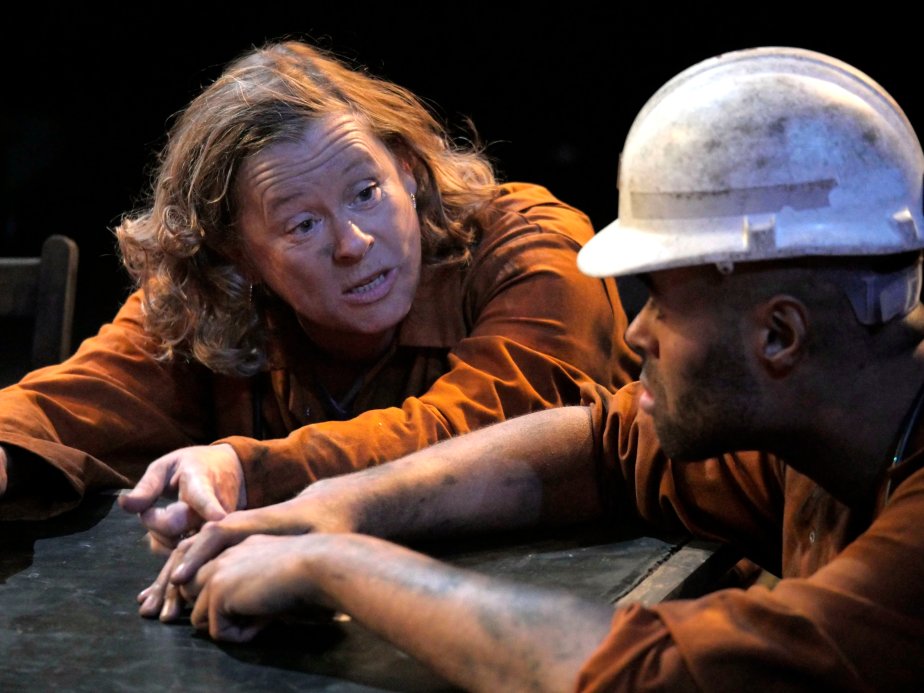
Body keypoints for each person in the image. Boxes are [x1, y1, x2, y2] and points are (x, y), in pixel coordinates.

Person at [160, 46, 924, 691]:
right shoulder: (820, 422)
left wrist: (339, 564)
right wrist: (341, 503)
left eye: (662, 304)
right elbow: (600, 446)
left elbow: (650, 676)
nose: (640, 330)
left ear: (780, 336)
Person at [0, 40, 639, 534]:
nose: (352, 243)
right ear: (237, 254)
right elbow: (76, 401)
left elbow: (497, 438)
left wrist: (250, 470)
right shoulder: (219, 296)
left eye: (366, 192)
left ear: (408, 170)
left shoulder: (529, 243)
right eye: (303, 225)